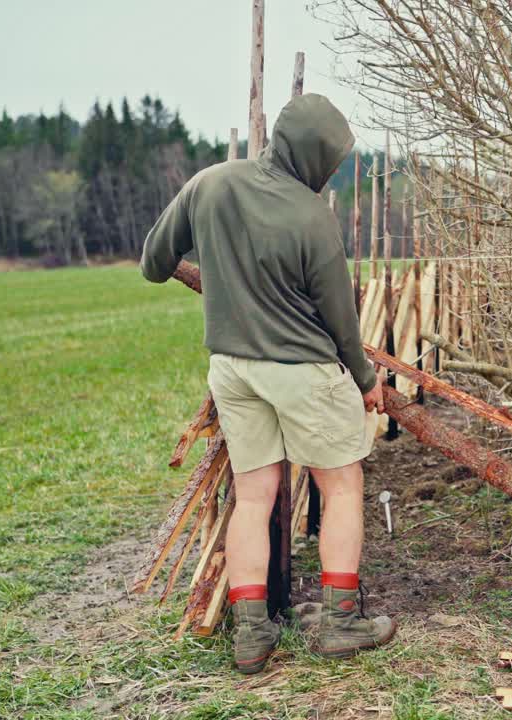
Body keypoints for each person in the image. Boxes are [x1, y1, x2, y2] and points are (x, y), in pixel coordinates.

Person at [140, 93, 396, 674]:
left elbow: (154, 263)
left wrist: (226, 276)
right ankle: (340, 622)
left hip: (232, 368)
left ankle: (252, 634)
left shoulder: (208, 184)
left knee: (254, 496)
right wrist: (365, 381)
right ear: (311, 155)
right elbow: (341, 321)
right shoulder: (312, 219)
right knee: (342, 486)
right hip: (302, 371)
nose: (330, 172)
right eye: (330, 160)